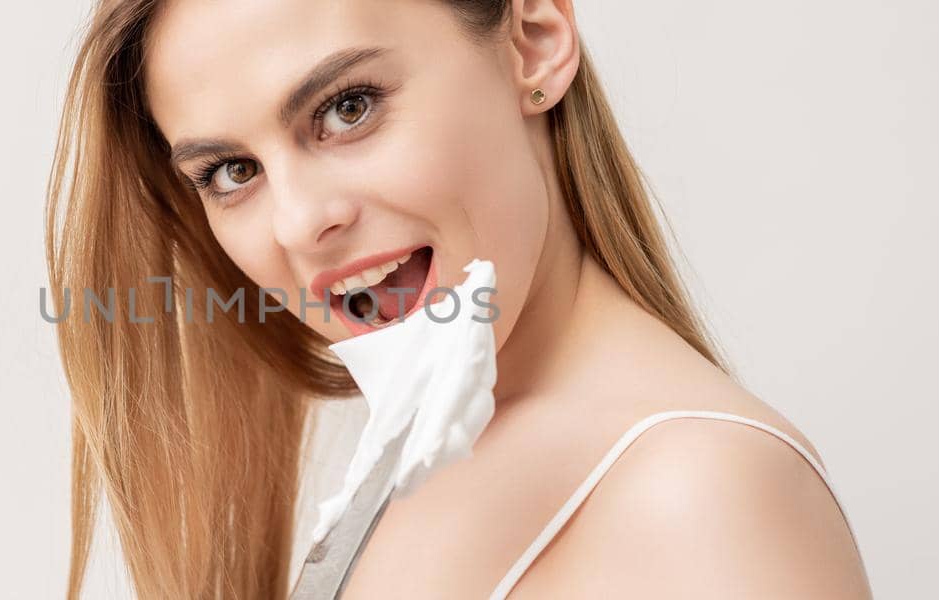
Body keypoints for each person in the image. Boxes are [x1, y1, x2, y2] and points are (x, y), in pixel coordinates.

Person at [44, 0, 872, 597]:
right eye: (232, 172)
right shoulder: (413, 453)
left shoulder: (703, 494)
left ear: (536, 45)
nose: (300, 224)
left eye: (348, 108)